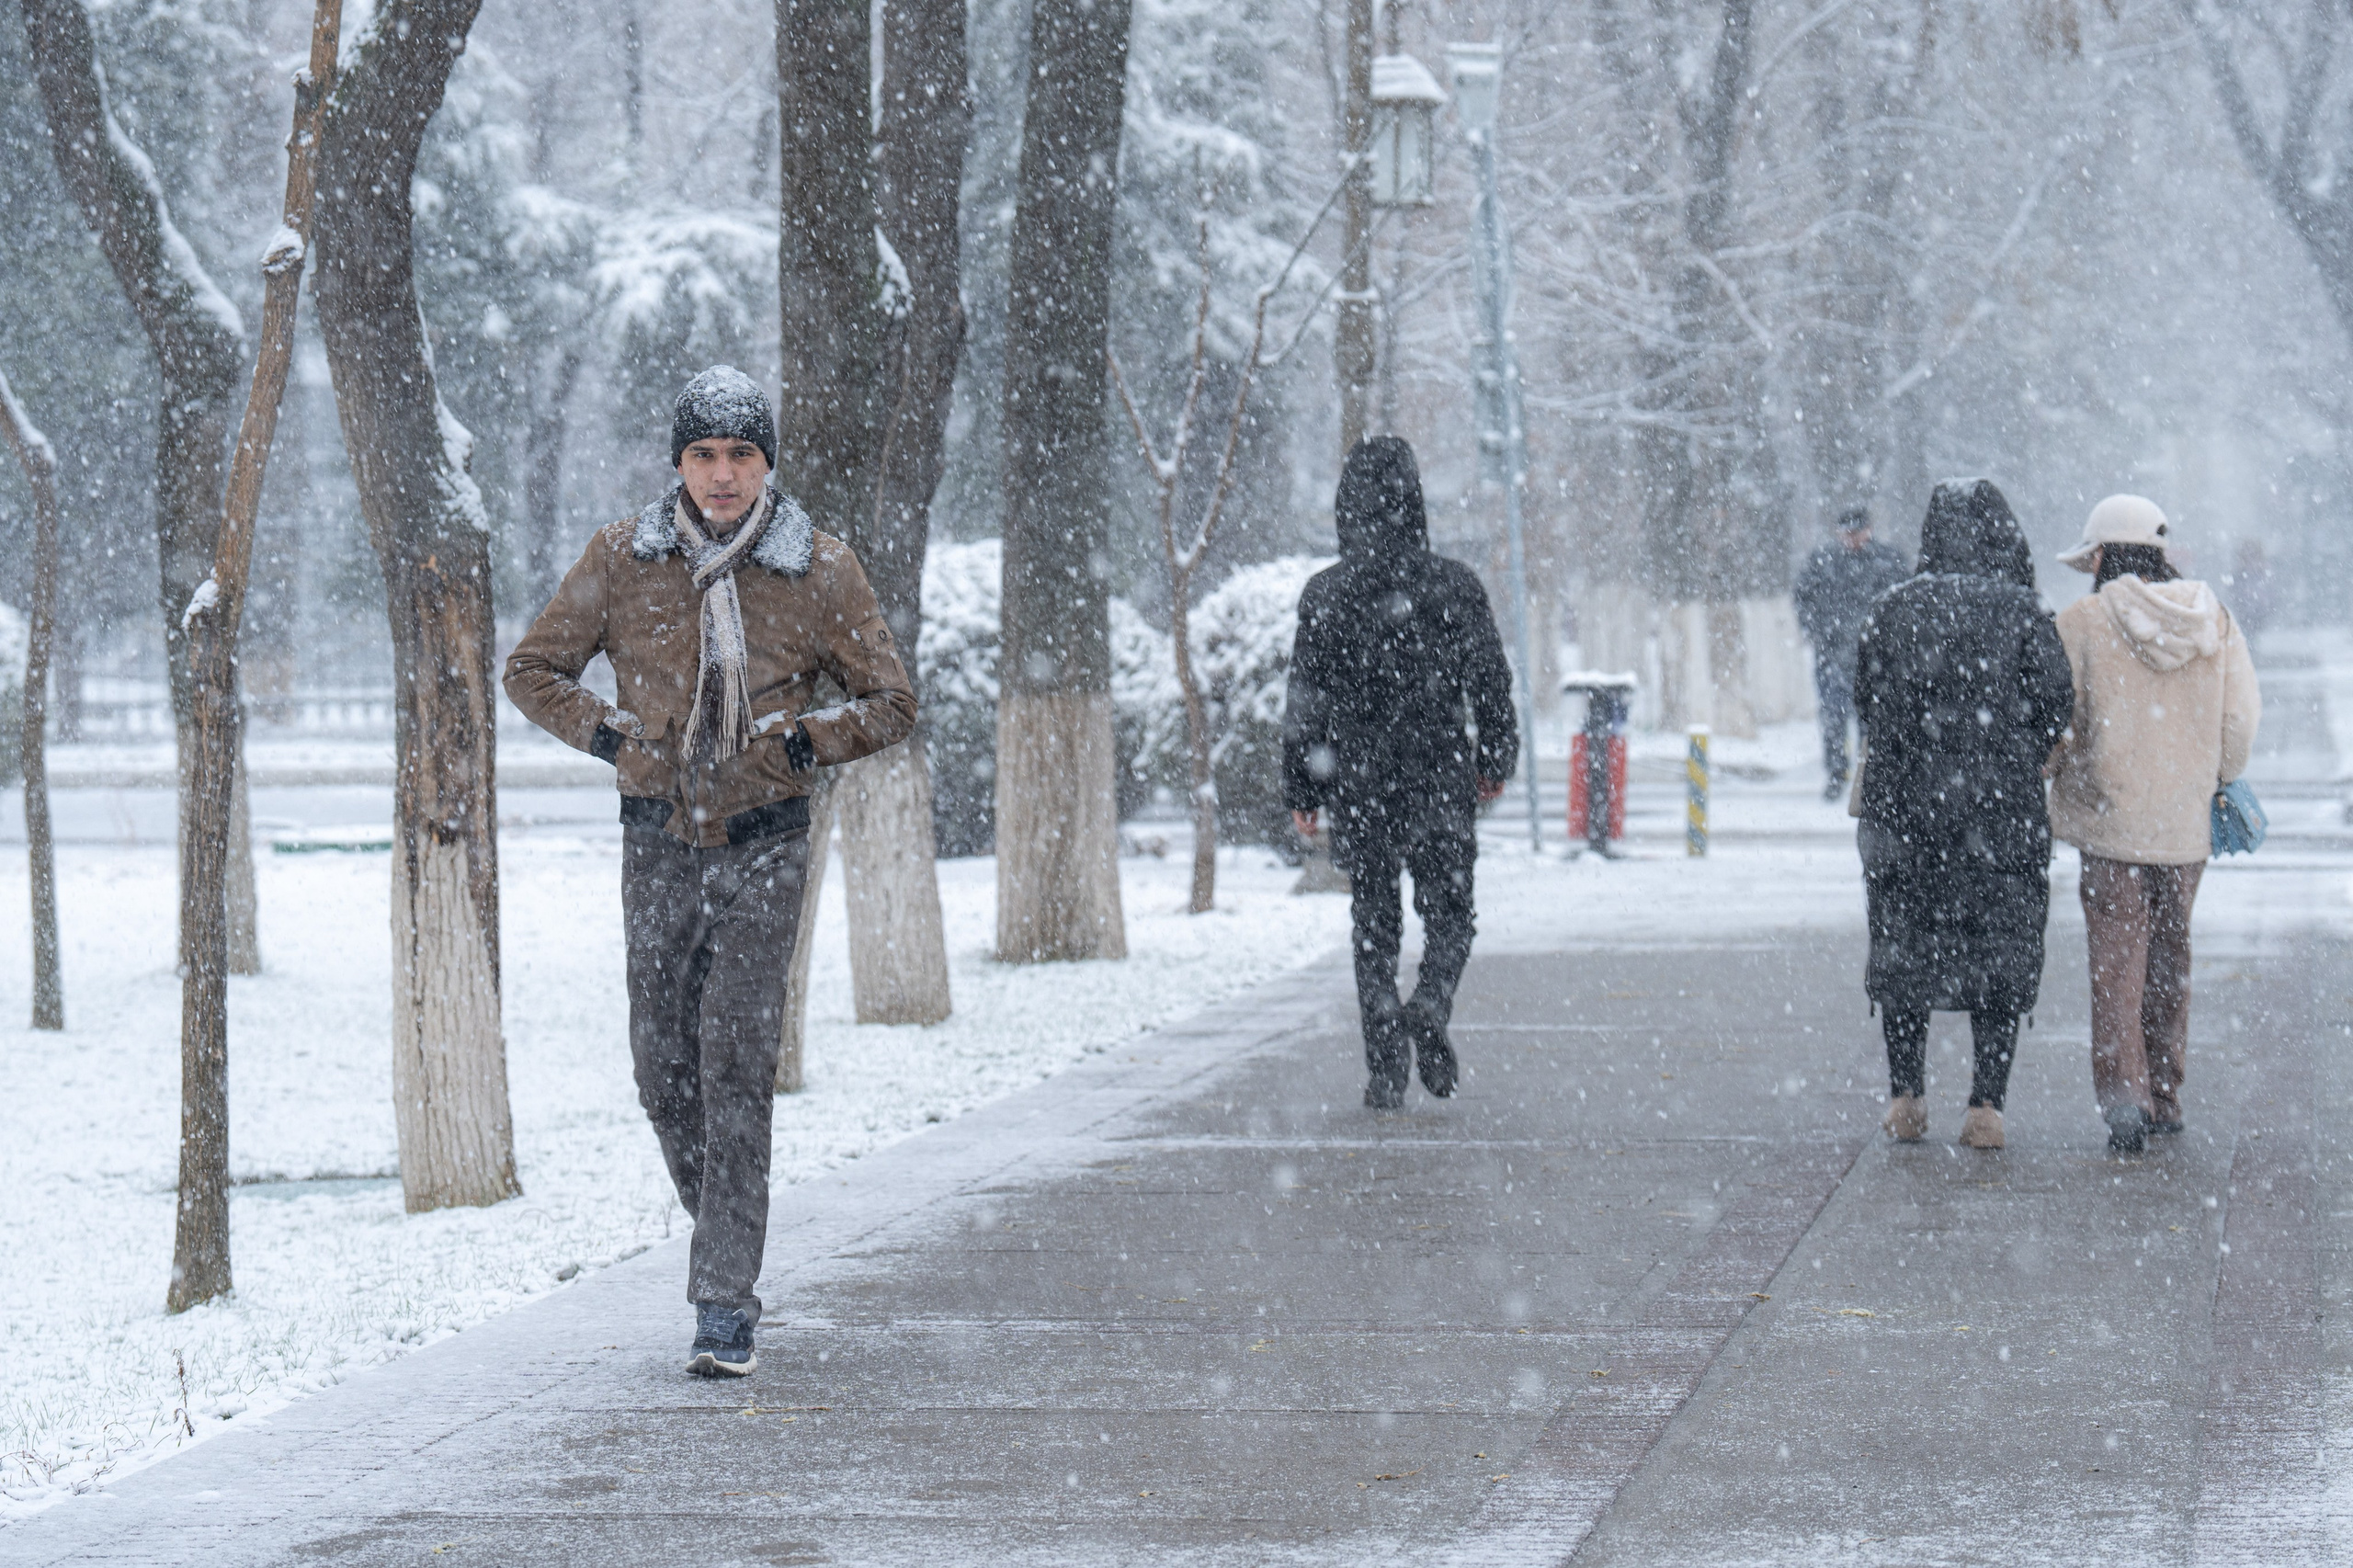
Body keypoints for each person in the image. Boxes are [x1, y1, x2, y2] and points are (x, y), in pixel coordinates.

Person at [505, 367, 916, 1375]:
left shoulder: (818, 567)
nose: (723, 475)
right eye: (704, 455)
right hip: (656, 842)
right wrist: (614, 737)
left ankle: (723, 1302)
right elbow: (531, 670)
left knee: (735, 1067)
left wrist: (803, 741)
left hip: (767, 841)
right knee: (662, 1071)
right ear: (679, 464)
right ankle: (724, 1230)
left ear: (767, 463)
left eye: (741, 455)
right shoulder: (624, 558)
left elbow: (891, 700)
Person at [1282, 437, 1518, 1110]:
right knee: (1451, 913)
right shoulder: (1455, 586)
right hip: (1439, 771)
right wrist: (1494, 758)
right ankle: (1433, 1000)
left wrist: (1303, 786)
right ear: (1415, 502)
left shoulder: (1326, 594)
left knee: (1373, 918)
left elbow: (1306, 701)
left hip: (1361, 780)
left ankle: (1385, 1064)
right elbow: (1491, 683)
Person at [1853, 479, 2074, 1151]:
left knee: (1903, 946)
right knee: (1999, 949)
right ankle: (1986, 1106)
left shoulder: (1891, 608)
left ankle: (1906, 1096)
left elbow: (1866, 700)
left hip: (1904, 813)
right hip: (2000, 815)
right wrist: (2011, 753)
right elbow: (2054, 702)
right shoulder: (2024, 611)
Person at [2047, 495, 2259, 1153]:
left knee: (2116, 964)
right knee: (2172, 957)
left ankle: (2125, 1099)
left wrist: (2055, 770)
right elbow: (2240, 719)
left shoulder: (2081, 623)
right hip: (2184, 825)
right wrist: (2215, 777)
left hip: (2110, 824)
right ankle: (2165, 1093)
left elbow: (2059, 720)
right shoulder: (2212, 619)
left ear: (2102, 557)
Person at [1795, 506, 1911, 800]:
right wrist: (1816, 630)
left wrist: (1893, 639)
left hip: (1876, 657)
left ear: (1868, 530)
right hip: (1833, 655)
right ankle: (1836, 773)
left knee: (1871, 720)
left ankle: (1870, 776)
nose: (1852, 538)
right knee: (1833, 717)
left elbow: (1905, 601)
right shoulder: (1823, 561)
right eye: (1846, 533)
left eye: (1856, 532)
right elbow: (1803, 596)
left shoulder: (1889, 561)